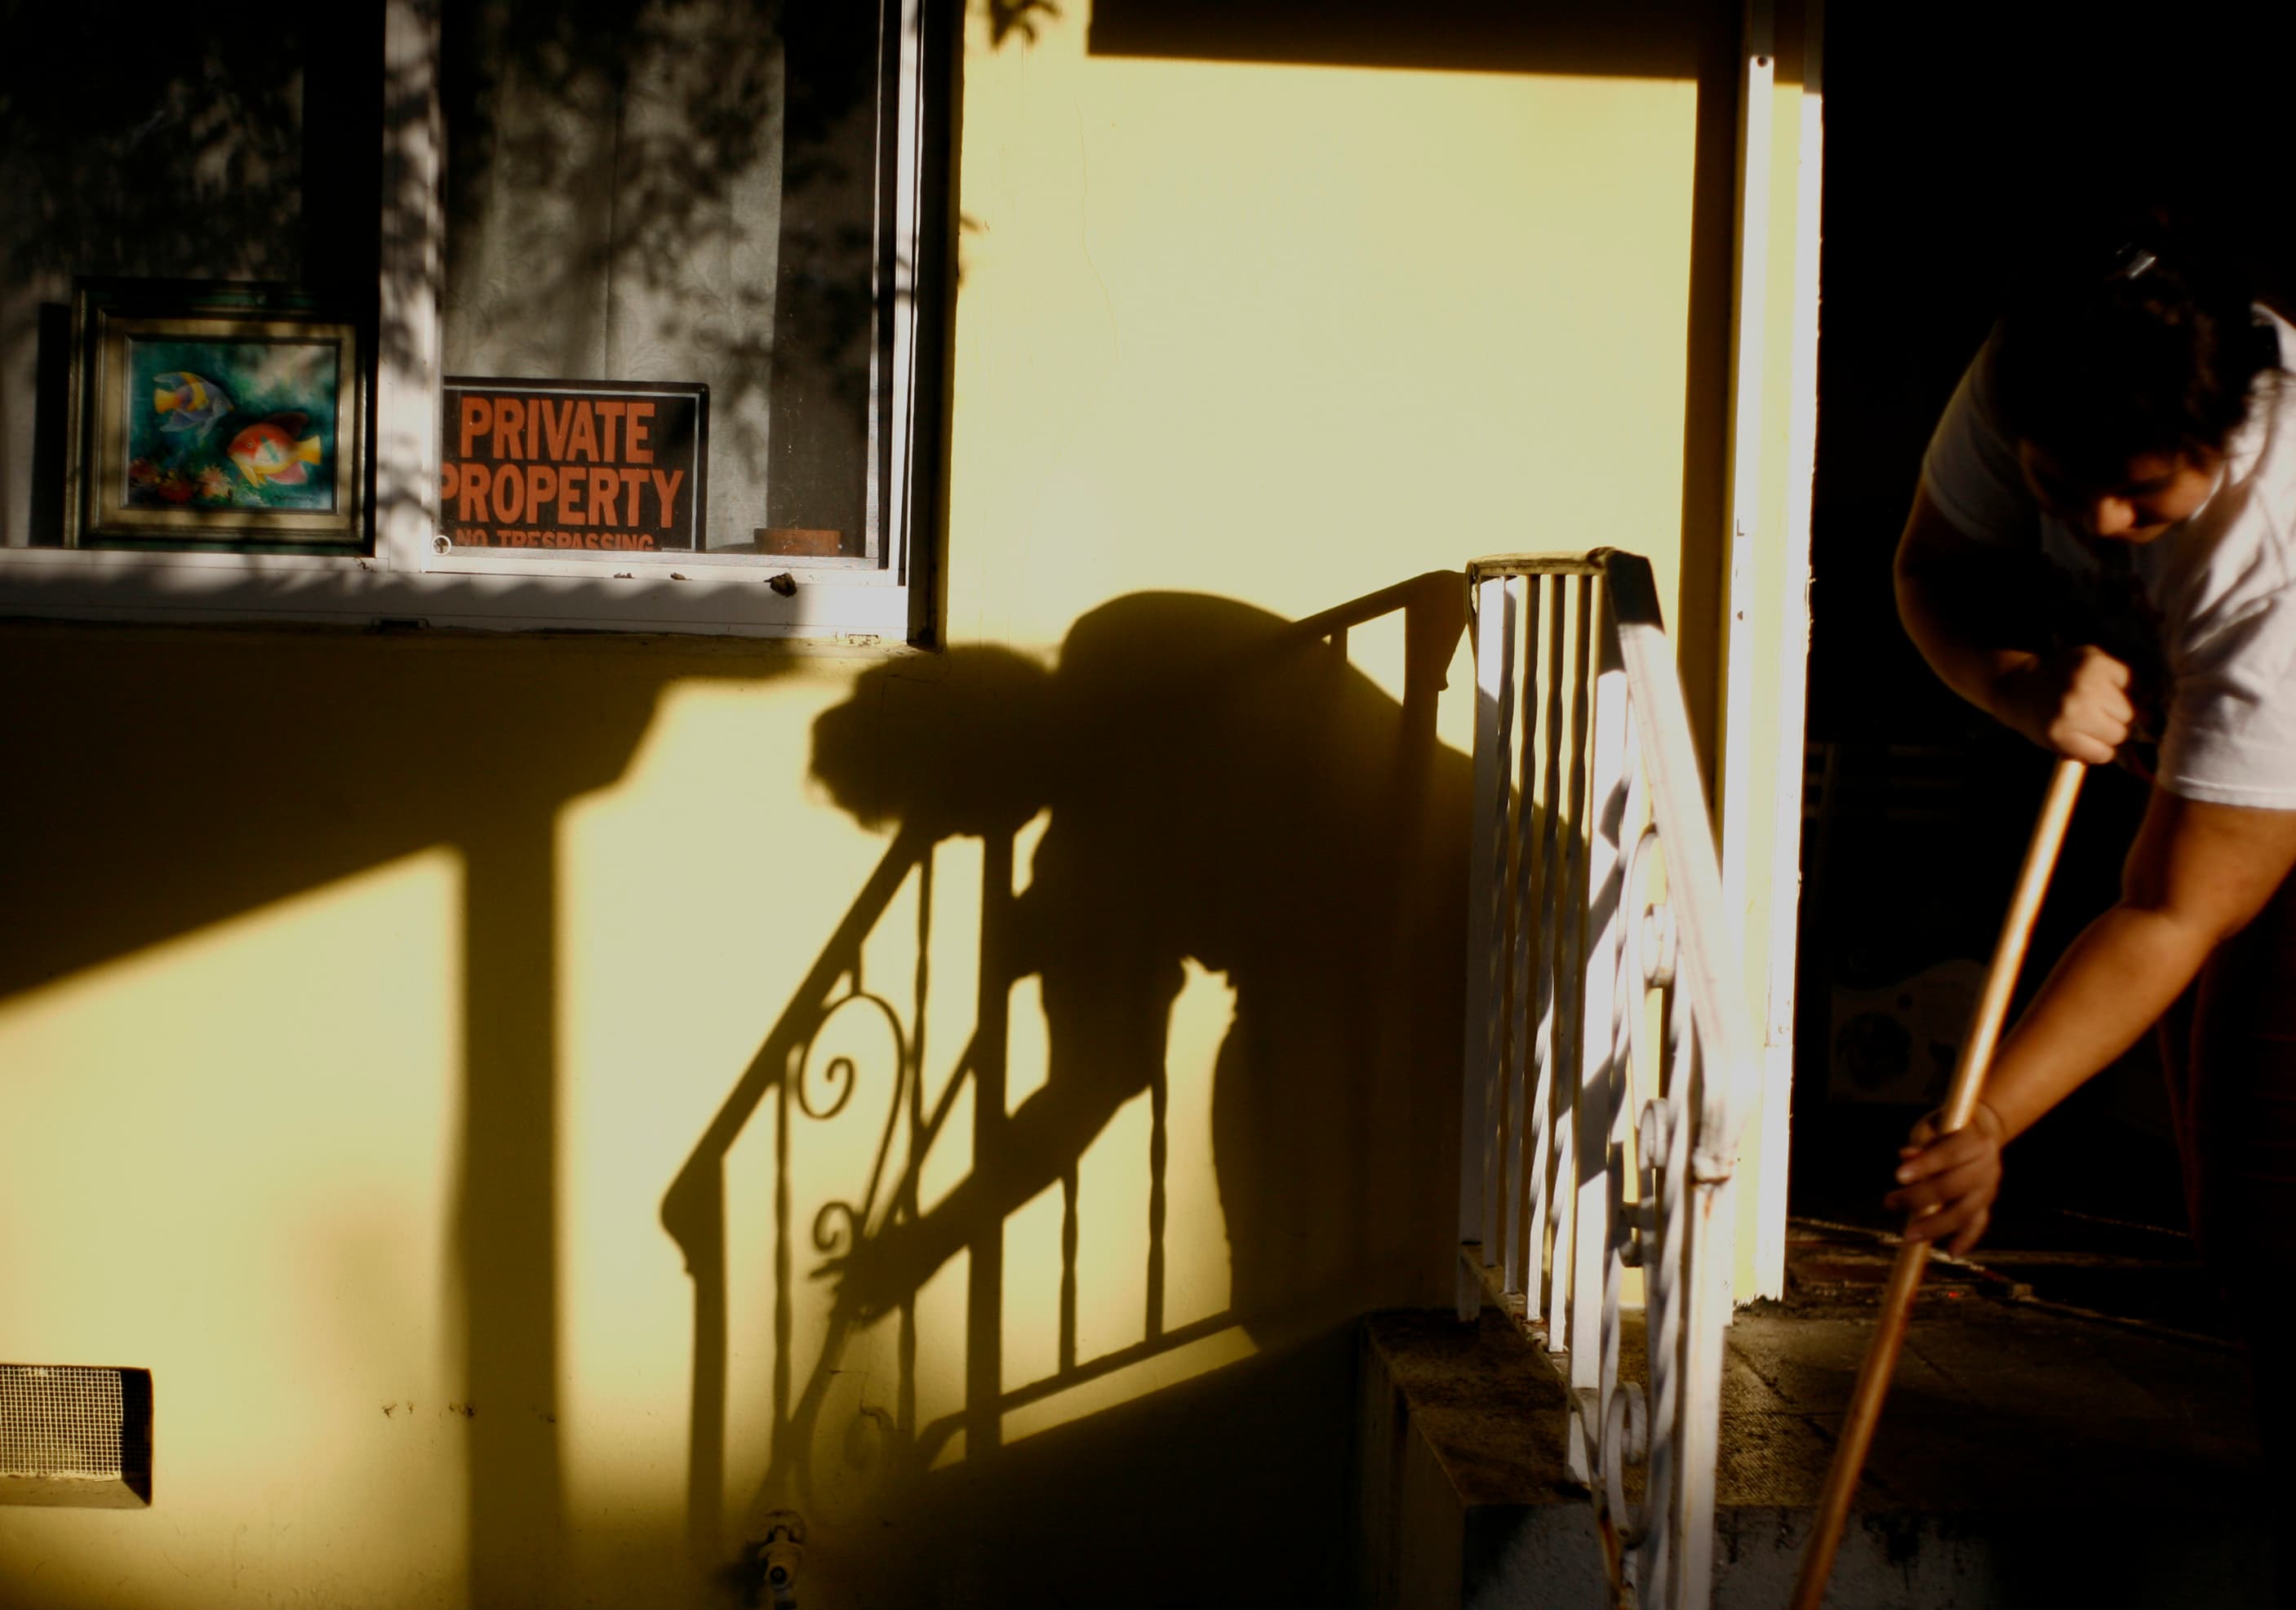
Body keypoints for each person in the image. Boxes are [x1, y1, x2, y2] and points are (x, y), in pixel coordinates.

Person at [1885, 219, 2296, 1491]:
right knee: (2227, 1196)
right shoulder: (2037, 368)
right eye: (2069, 493)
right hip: (2216, 771)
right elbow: (1932, 568)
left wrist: (1990, 1117)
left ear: (2219, 443)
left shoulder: (2271, 555)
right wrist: (2012, 684)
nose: (2107, 528)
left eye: (2144, 496)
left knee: (2272, 1184)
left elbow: (2175, 910)